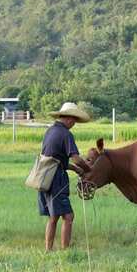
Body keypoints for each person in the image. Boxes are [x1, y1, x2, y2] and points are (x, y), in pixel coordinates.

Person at [39, 102, 91, 251]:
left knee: (53, 216)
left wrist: (75, 169)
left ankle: (48, 249)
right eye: (74, 120)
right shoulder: (66, 134)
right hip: (56, 179)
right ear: (69, 118)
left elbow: (56, 159)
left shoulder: (50, 131)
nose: (74, 123)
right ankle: (65, 250)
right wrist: (87, 168)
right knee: (68, 216)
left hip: (44, 176)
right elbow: (76, 158)